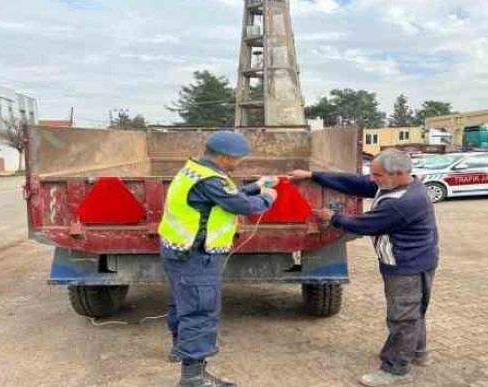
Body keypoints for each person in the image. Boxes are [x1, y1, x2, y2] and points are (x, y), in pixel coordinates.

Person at [290, 149, 439, 387]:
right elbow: (357, 183)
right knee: (412, 311)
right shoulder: (396, 185)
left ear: (399, 173)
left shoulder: (404, 202)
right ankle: (417, 353)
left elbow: (365, 224)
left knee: (402, 317)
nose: (372, 179)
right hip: (414, 260)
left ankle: (396, 369)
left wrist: (333, 216)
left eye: (377, 175)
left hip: (406, 265)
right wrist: (313, 174)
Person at [159, 130, 279, 387]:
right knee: (200, 312)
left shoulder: (194, 170)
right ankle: (192, 378)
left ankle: (179, 351)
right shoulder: (212, 180)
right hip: (195, 256)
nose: (239, 164)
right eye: (238, 159)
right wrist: (267, 197)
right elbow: (242, 205)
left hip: (178, 251)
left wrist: (256, 185)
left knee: (182, 304)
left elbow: (224, 194)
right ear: (225, 157)